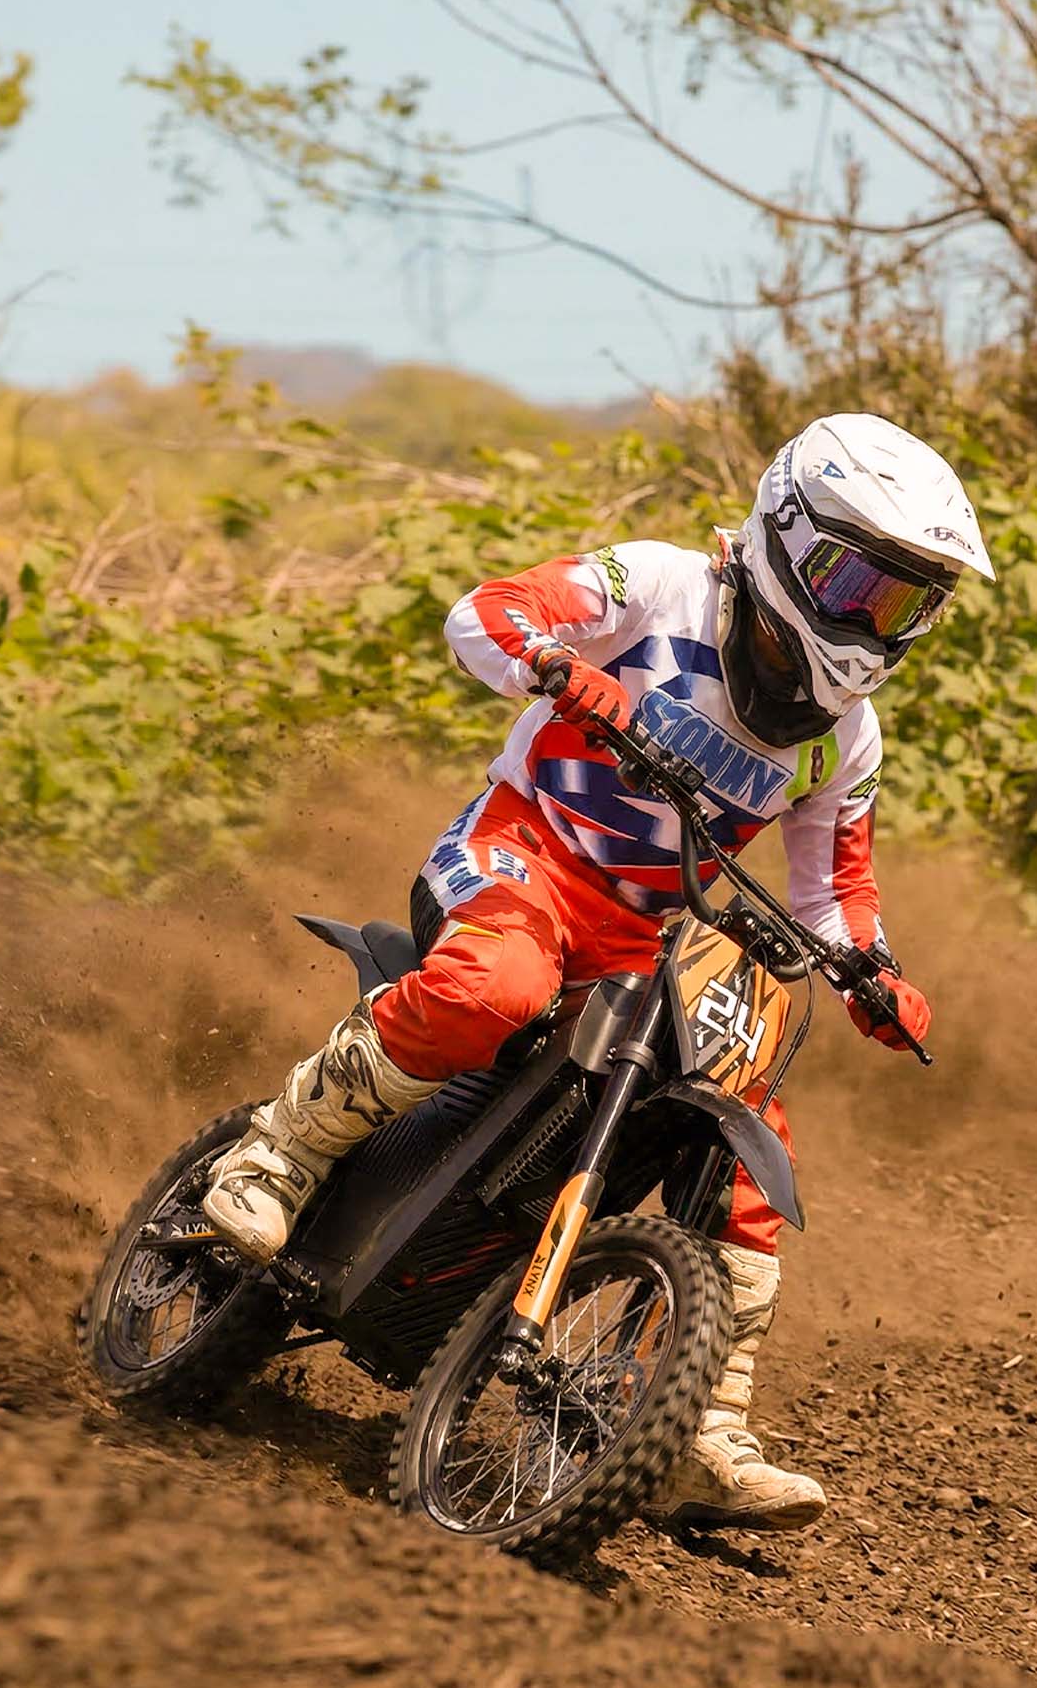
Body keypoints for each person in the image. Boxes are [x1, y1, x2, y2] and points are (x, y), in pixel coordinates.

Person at [205, 413, 994, 1527]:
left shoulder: (844, 737)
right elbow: (484, 612)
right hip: (522, 855)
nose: (873, 623)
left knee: (740, 1130)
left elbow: (833, 891)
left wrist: (871, 971)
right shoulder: (661, 587)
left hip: (647, 937)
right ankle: (282, 1151)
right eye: (857, 585)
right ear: (786, 531)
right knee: (497, 991)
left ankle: (700, 1423)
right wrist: (553, 664)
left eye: (906, 604)